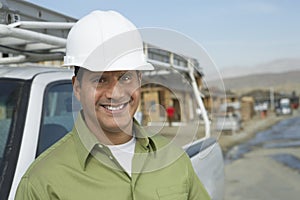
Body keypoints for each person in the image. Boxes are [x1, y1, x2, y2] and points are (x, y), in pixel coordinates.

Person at [15, 10, 211, 200]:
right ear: (77, 88)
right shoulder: (41, 184)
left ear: (139, 80)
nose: (115, 93)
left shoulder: (174, 159)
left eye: (125, 77)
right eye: (100, 80)